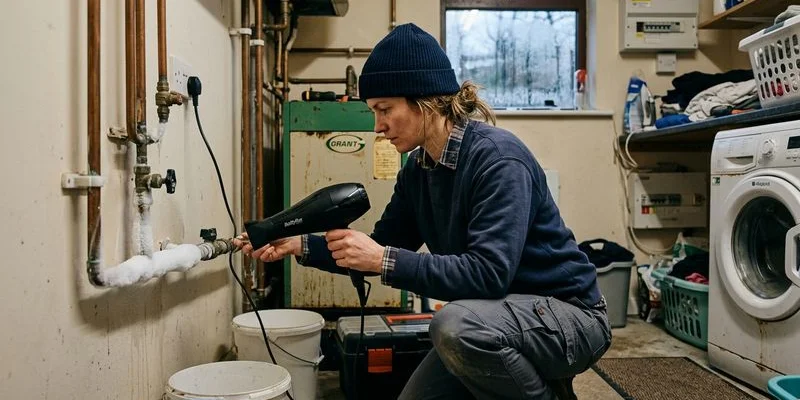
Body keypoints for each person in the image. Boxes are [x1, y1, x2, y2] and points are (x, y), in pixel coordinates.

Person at [235, 23, 611, 400]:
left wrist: (382, 258)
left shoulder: (498, 160)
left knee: (453, 325)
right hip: (500, 316)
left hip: (569, 316)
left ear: (426, 101)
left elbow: (489, 274)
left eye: (385, 110)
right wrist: (300, 245)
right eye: (373, 112)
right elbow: (380, 247)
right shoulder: (419, 169)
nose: (378, 127)